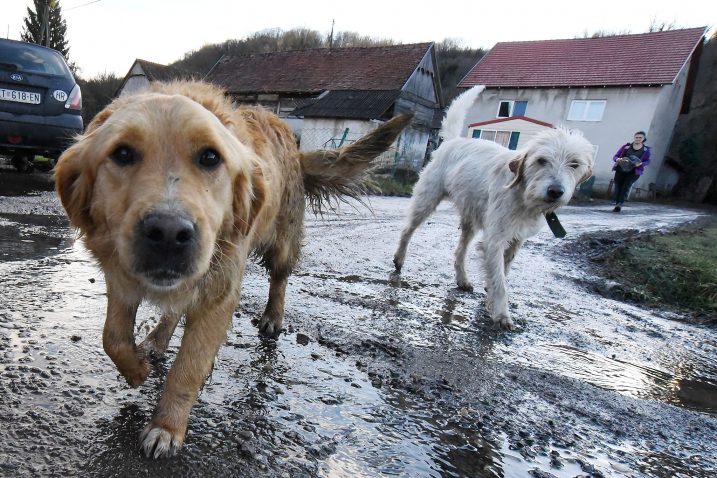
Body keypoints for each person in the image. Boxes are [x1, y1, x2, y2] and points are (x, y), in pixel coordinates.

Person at [611, 131, 651, 212]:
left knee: (626, 186)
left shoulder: (646, 150)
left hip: (634, 171)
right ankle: (615, 201)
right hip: (621, 168)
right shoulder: (626, 147)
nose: (638, 139)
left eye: (640, 138)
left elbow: (648, 161)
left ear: (643, 139)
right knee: (618, 185)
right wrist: (617, 159)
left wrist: (641, 164)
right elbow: (616, 156)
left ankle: (619, 204)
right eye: (636, 137)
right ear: (634, 138)